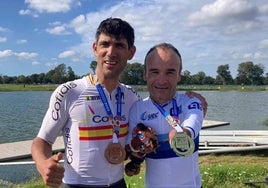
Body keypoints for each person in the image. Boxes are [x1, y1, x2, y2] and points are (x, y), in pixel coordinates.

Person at [31, 18, 207, 188]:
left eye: (120, 45)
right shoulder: (69, 91)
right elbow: (42, 141)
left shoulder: (132, 98)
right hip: (75, 184)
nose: (111, 52)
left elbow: (142, 136)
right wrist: (43, 164)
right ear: (95, 48)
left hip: (117, 184)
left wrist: (195, 104)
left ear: (131, 52)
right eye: (105, 44)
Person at [126, 43, 204, 188]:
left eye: (169, 72)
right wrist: (139, 144)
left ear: (179, 75)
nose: (162, 80)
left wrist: (183, 133)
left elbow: (195, 119)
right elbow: (132, 147)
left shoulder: (190, 101)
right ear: (145, 74)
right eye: (155, 72)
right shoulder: (137, 109)